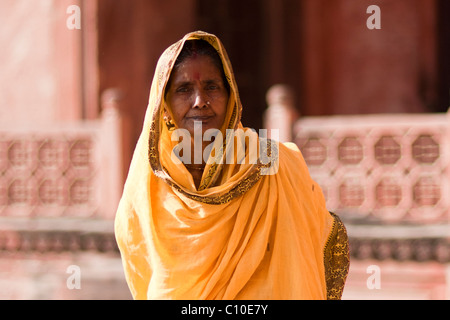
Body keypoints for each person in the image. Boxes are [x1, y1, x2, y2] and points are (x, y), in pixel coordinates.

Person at [114, 31, 349, 300]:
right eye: (184, 89)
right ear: (163, 105)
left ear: (231, 96)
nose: (200, 100)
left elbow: (316, 238)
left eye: (212, 87)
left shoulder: (273, 162)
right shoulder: (147, 182)